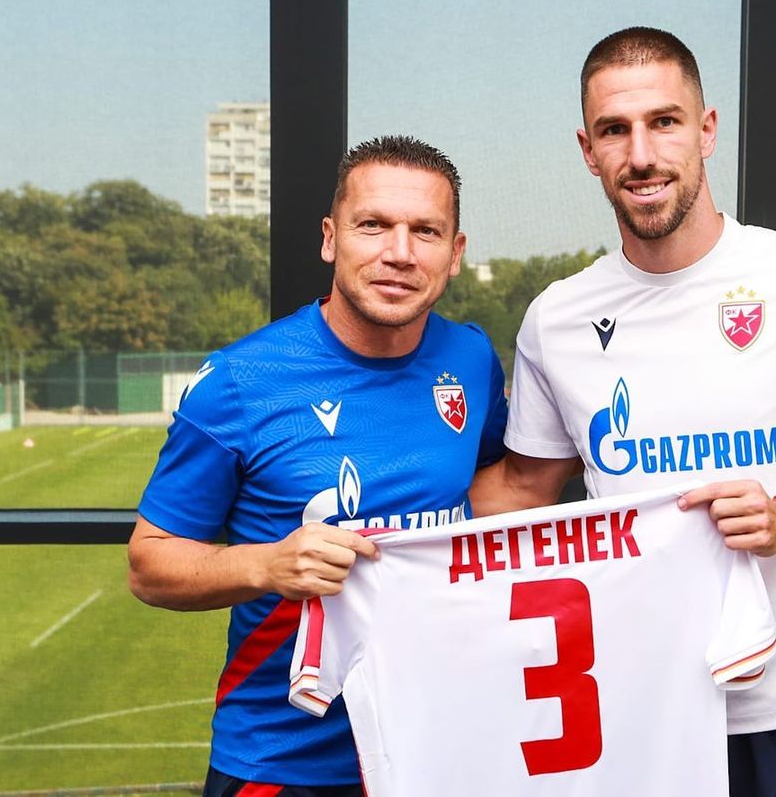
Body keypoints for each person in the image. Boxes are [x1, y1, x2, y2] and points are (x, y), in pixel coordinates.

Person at [469, 26, 776, 796]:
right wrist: (384, 531)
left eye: (664, 121)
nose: (641, 154)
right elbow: (523, 489)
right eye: (615, 131)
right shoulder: (557, 318)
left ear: (707, 129)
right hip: (639, 712)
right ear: (588, 151)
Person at [128, 136, 508, 794]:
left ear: (455, 254)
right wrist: (266, 564)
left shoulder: (471, 360)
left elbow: (493, 488)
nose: (399, 252)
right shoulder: (241, 381)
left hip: (435, 747)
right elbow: (149, 563)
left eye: (426, 231)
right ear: (331, 238)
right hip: (285, 763)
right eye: (373, 225)